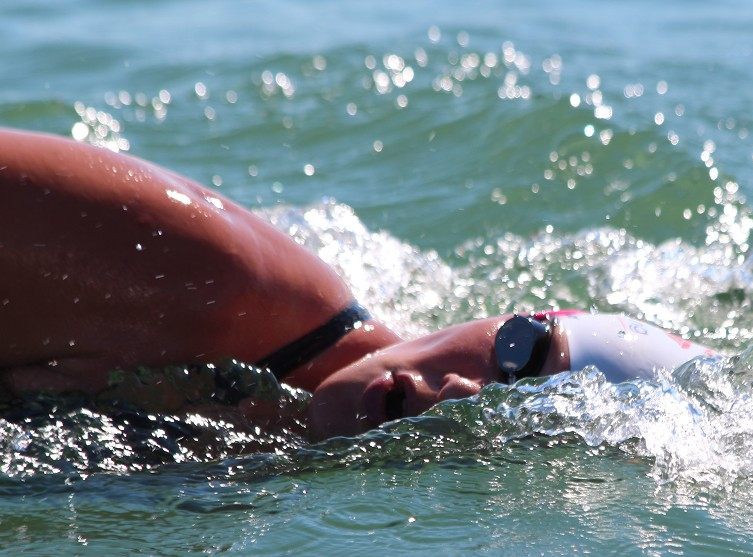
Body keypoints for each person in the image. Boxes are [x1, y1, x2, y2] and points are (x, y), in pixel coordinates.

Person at [1, 128, 714, 439]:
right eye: (521, 352)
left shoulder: (262, 462)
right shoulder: (209, 278)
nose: (467, 393)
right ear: (506, 315)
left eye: (528, 416)